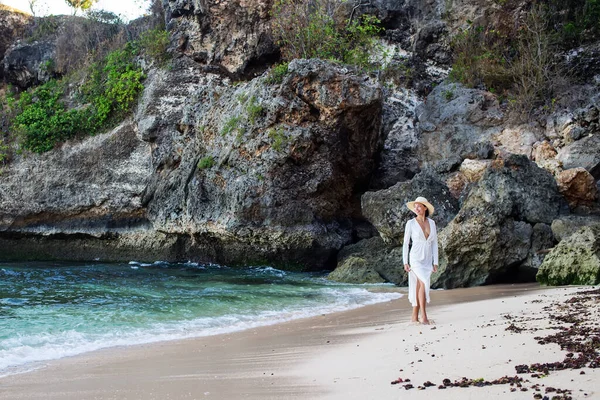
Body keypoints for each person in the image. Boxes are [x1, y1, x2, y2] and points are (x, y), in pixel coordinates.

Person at [402, 196, 439, 325]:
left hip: (428, 259)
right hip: (415, 257)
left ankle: (414, 316)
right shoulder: (410, 223)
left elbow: (434, 243)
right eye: (415, 206)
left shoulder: (432, 223)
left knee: (419, 285)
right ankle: (424, 316)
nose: (416, 208)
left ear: (425, 207)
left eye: (419, 205)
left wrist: (436, 262)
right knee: (423, 283)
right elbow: (406, 243)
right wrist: (405, 261)